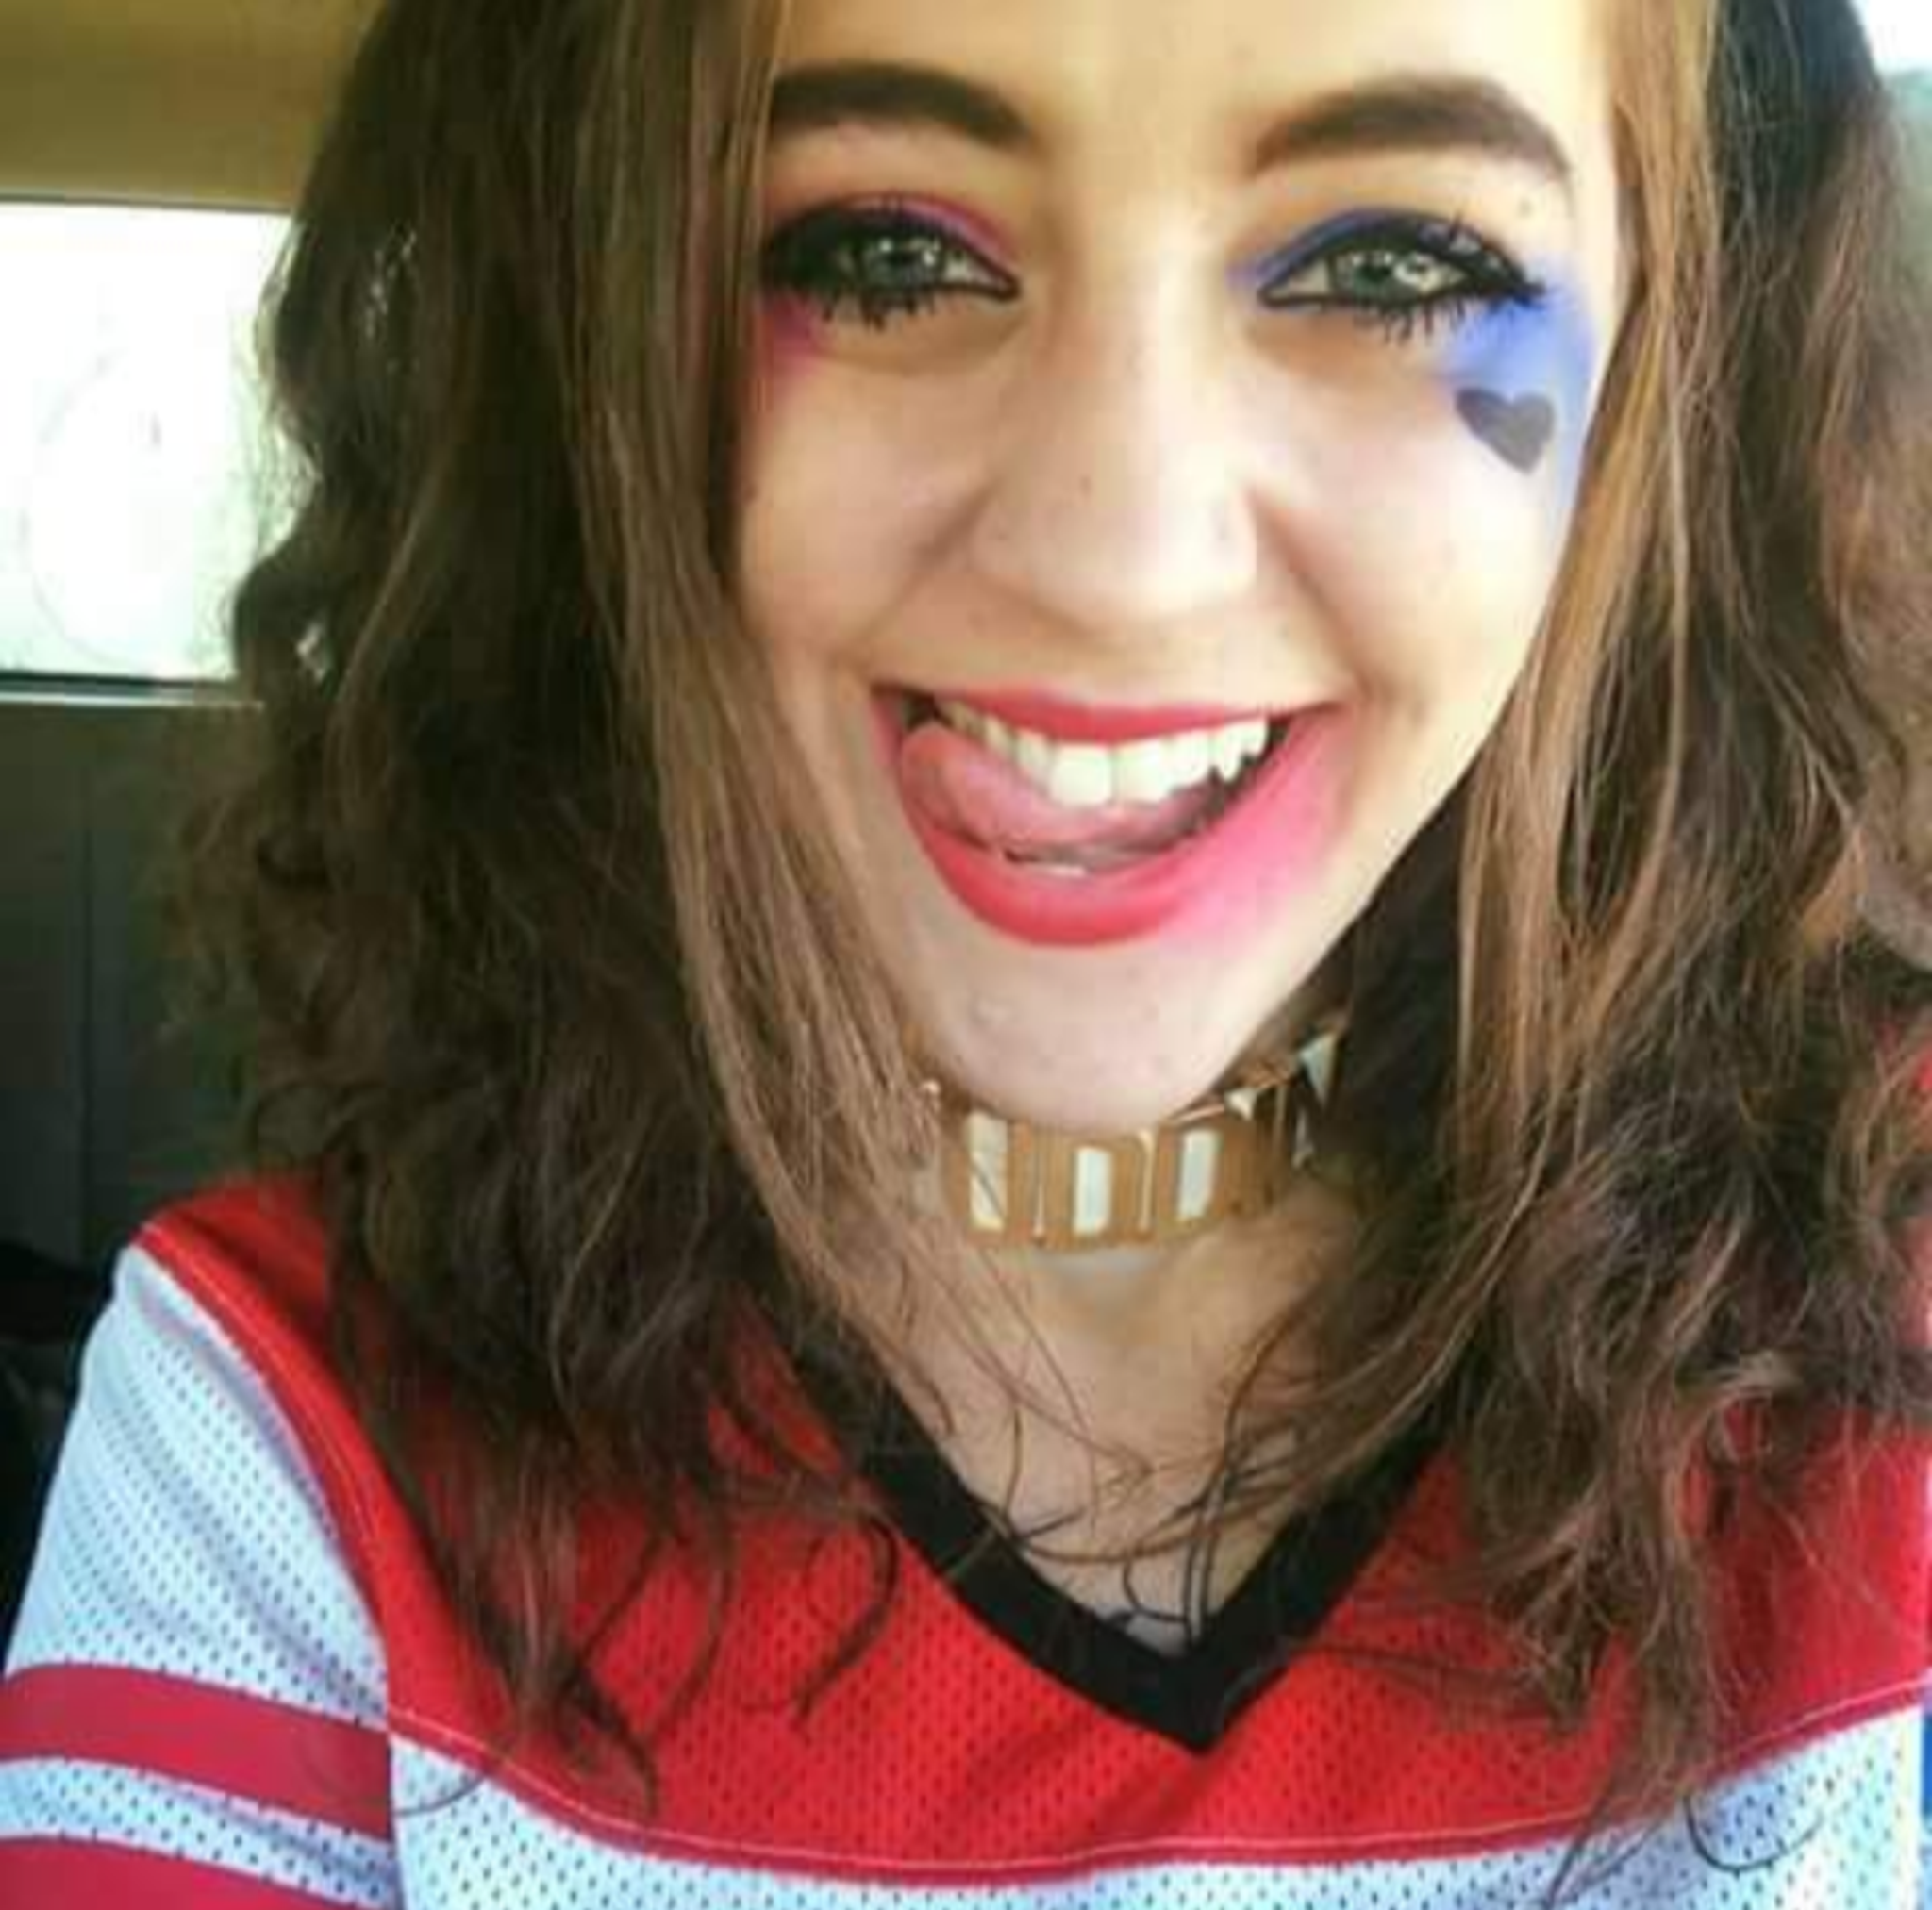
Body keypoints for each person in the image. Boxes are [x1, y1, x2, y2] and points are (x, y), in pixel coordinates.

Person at [3, 0, 1930, 1902]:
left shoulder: (1887, 1296)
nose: (1120, 562)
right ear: (577, 365)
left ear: (1676, 361)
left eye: (1393, 266)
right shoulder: (285, 1444)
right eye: (883, 254)